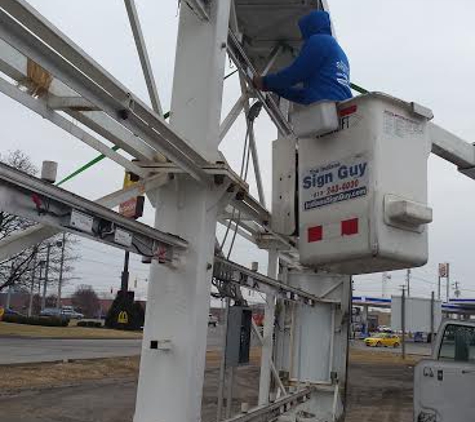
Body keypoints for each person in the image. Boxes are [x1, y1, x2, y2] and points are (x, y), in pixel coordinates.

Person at [253, 10, 352, 105]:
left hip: (326, 107)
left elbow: (295, 73)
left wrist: (265, 82)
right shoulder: (339, 52)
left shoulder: (318, 41)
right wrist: (273, 87)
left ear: (310, 27)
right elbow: (303, 96)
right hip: (338, 111)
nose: (302, 37)